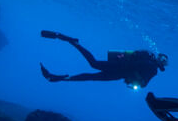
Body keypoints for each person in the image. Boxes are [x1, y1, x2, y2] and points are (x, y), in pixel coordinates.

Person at [39, 30, 168, 88]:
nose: (161, 61)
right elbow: (143, 82)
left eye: (163, 61)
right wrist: (135, 80)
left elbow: (144, 82)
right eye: (163, 60)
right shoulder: (152, 68)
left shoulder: (151, 66)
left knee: (92, 71)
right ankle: (73, 44)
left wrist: (135, 79)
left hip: (118, 69)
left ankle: (73, 44)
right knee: (92, 69)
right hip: (118, 70)